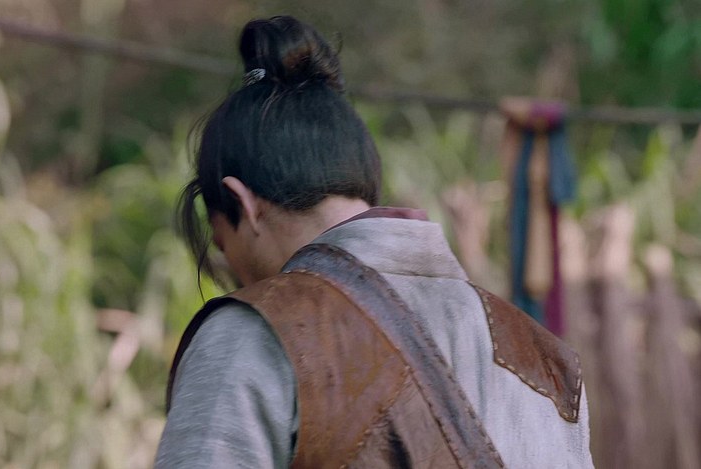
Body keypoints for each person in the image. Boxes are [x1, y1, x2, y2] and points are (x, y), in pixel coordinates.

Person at [155, 15, 593, 469]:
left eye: (223, 244)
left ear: (242, 204)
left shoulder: (251, 333)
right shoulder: (546, 360)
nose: (234, 270)